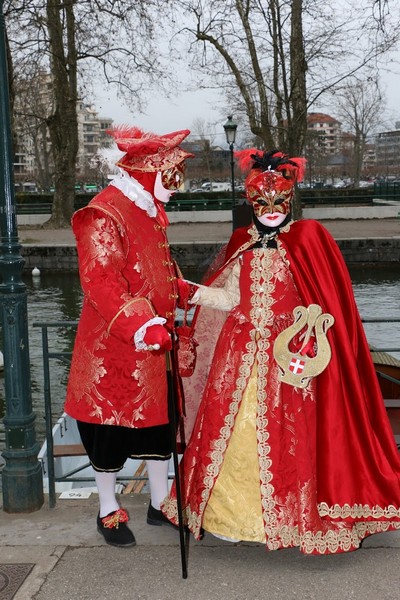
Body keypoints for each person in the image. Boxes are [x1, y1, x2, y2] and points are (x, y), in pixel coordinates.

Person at [163, 148, 400, 554]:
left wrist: (311, 327)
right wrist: (188, 291)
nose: (270, 210)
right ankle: (228, 518)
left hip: (292, 356)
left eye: (279, 202)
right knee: (228, 429)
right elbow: (228, 298)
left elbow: (329, 302)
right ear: (250, 204)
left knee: (294, 438)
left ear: (291, 201)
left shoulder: (310, 240)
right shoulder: (242, 242)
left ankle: (290, 522)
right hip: (237, 356)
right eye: (261, 202)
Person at [64, 125, 193, 547]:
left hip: (157, 342)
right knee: (109, 430)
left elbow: (158, 267)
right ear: (146, 173)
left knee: (158, 426)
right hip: (115, 347)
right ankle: (107, 507)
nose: (177, 186)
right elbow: (100, 279)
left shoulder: (147, 208)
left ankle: (159, 502)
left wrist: (188, 292)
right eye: (171, 175)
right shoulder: (104, 212)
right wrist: (141, 323)